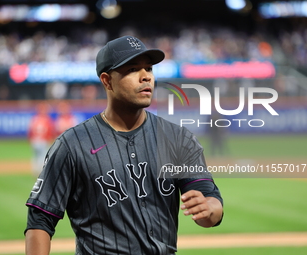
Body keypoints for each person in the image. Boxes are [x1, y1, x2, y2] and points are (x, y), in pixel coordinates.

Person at [24, 35, 224, 255]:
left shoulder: (178, 139)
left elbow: (210, 200)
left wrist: (209, 210)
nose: (145, 76)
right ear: (107, 80)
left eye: (148, 68)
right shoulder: (72, 145)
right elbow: (40, 220)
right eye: (132, 70)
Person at [27, 101, 55, 176]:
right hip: (43, 140)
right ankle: (40, 173)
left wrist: (31, 139)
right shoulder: (47, 119)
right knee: (43, 157)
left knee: (35, 156)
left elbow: (30, 130)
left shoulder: (34, 119)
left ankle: (34, 171)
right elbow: (50, 131)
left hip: (35, 140)